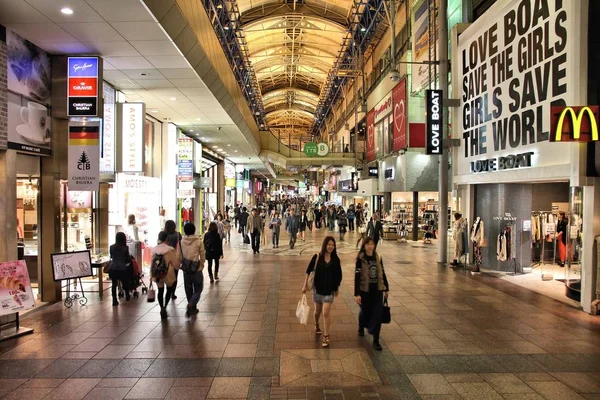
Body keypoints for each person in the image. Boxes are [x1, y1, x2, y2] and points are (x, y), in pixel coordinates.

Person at [302, 236, 342, 348]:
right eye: (329, 244)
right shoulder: (317, 257)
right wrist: (305, 285)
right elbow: (308, 270)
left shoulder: (335, 260)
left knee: (325, 312)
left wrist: (337, 287)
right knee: (317, 312)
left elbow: (338, 275)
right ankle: (316, 324)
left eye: (333, 245)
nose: (331, 247)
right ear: (325, 245)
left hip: (329, 290)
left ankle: (326, 335)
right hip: (317, 289)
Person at [354, 237, 389, 351]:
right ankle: (361, 326)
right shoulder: (361, 258)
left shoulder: (378, 257)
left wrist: (386, 288)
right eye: (367, 244)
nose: (370, 246)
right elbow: (357, 276)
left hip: (377, 290)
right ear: (364, 246)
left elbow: (382, 272)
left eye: (372, 244)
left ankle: (376, 340)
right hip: (365, 290)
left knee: (377, 314)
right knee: (365, 311)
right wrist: (357, 294)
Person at [151, 231, 181, 319]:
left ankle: (161, 307)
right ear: (167, 239)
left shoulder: (154, 249)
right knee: (169, 290)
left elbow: (152, 263)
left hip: (157, 273)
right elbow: (175, 264)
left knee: (160, 291)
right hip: (168, 273)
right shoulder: (170, 250)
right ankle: (165, 306)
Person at [180, 222, 205, 317]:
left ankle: (192, 307)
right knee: (198, 289)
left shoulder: (181, 241)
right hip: (196, 269)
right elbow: (202, 255)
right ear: (194, 230)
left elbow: (179, 256)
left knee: (188, 288)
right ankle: (191, 304)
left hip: (186, 269)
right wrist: (201, 265)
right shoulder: (198, 241)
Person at [109, 232, 132, 306]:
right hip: (122, 268)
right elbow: (127, 258)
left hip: (113, 268)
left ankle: (114, 300)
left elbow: (112, 256)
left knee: (114, 284)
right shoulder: (125, 247)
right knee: (125, 282)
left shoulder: (111, 247)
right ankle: (127, 296)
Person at [164, 220, 182, 300]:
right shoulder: (178, 235)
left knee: (166, 274)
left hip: (166, 258)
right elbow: (181, 246)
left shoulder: (164, 235)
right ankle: (172, 293)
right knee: (175, 276)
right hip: (175, 257)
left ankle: (168, 290)